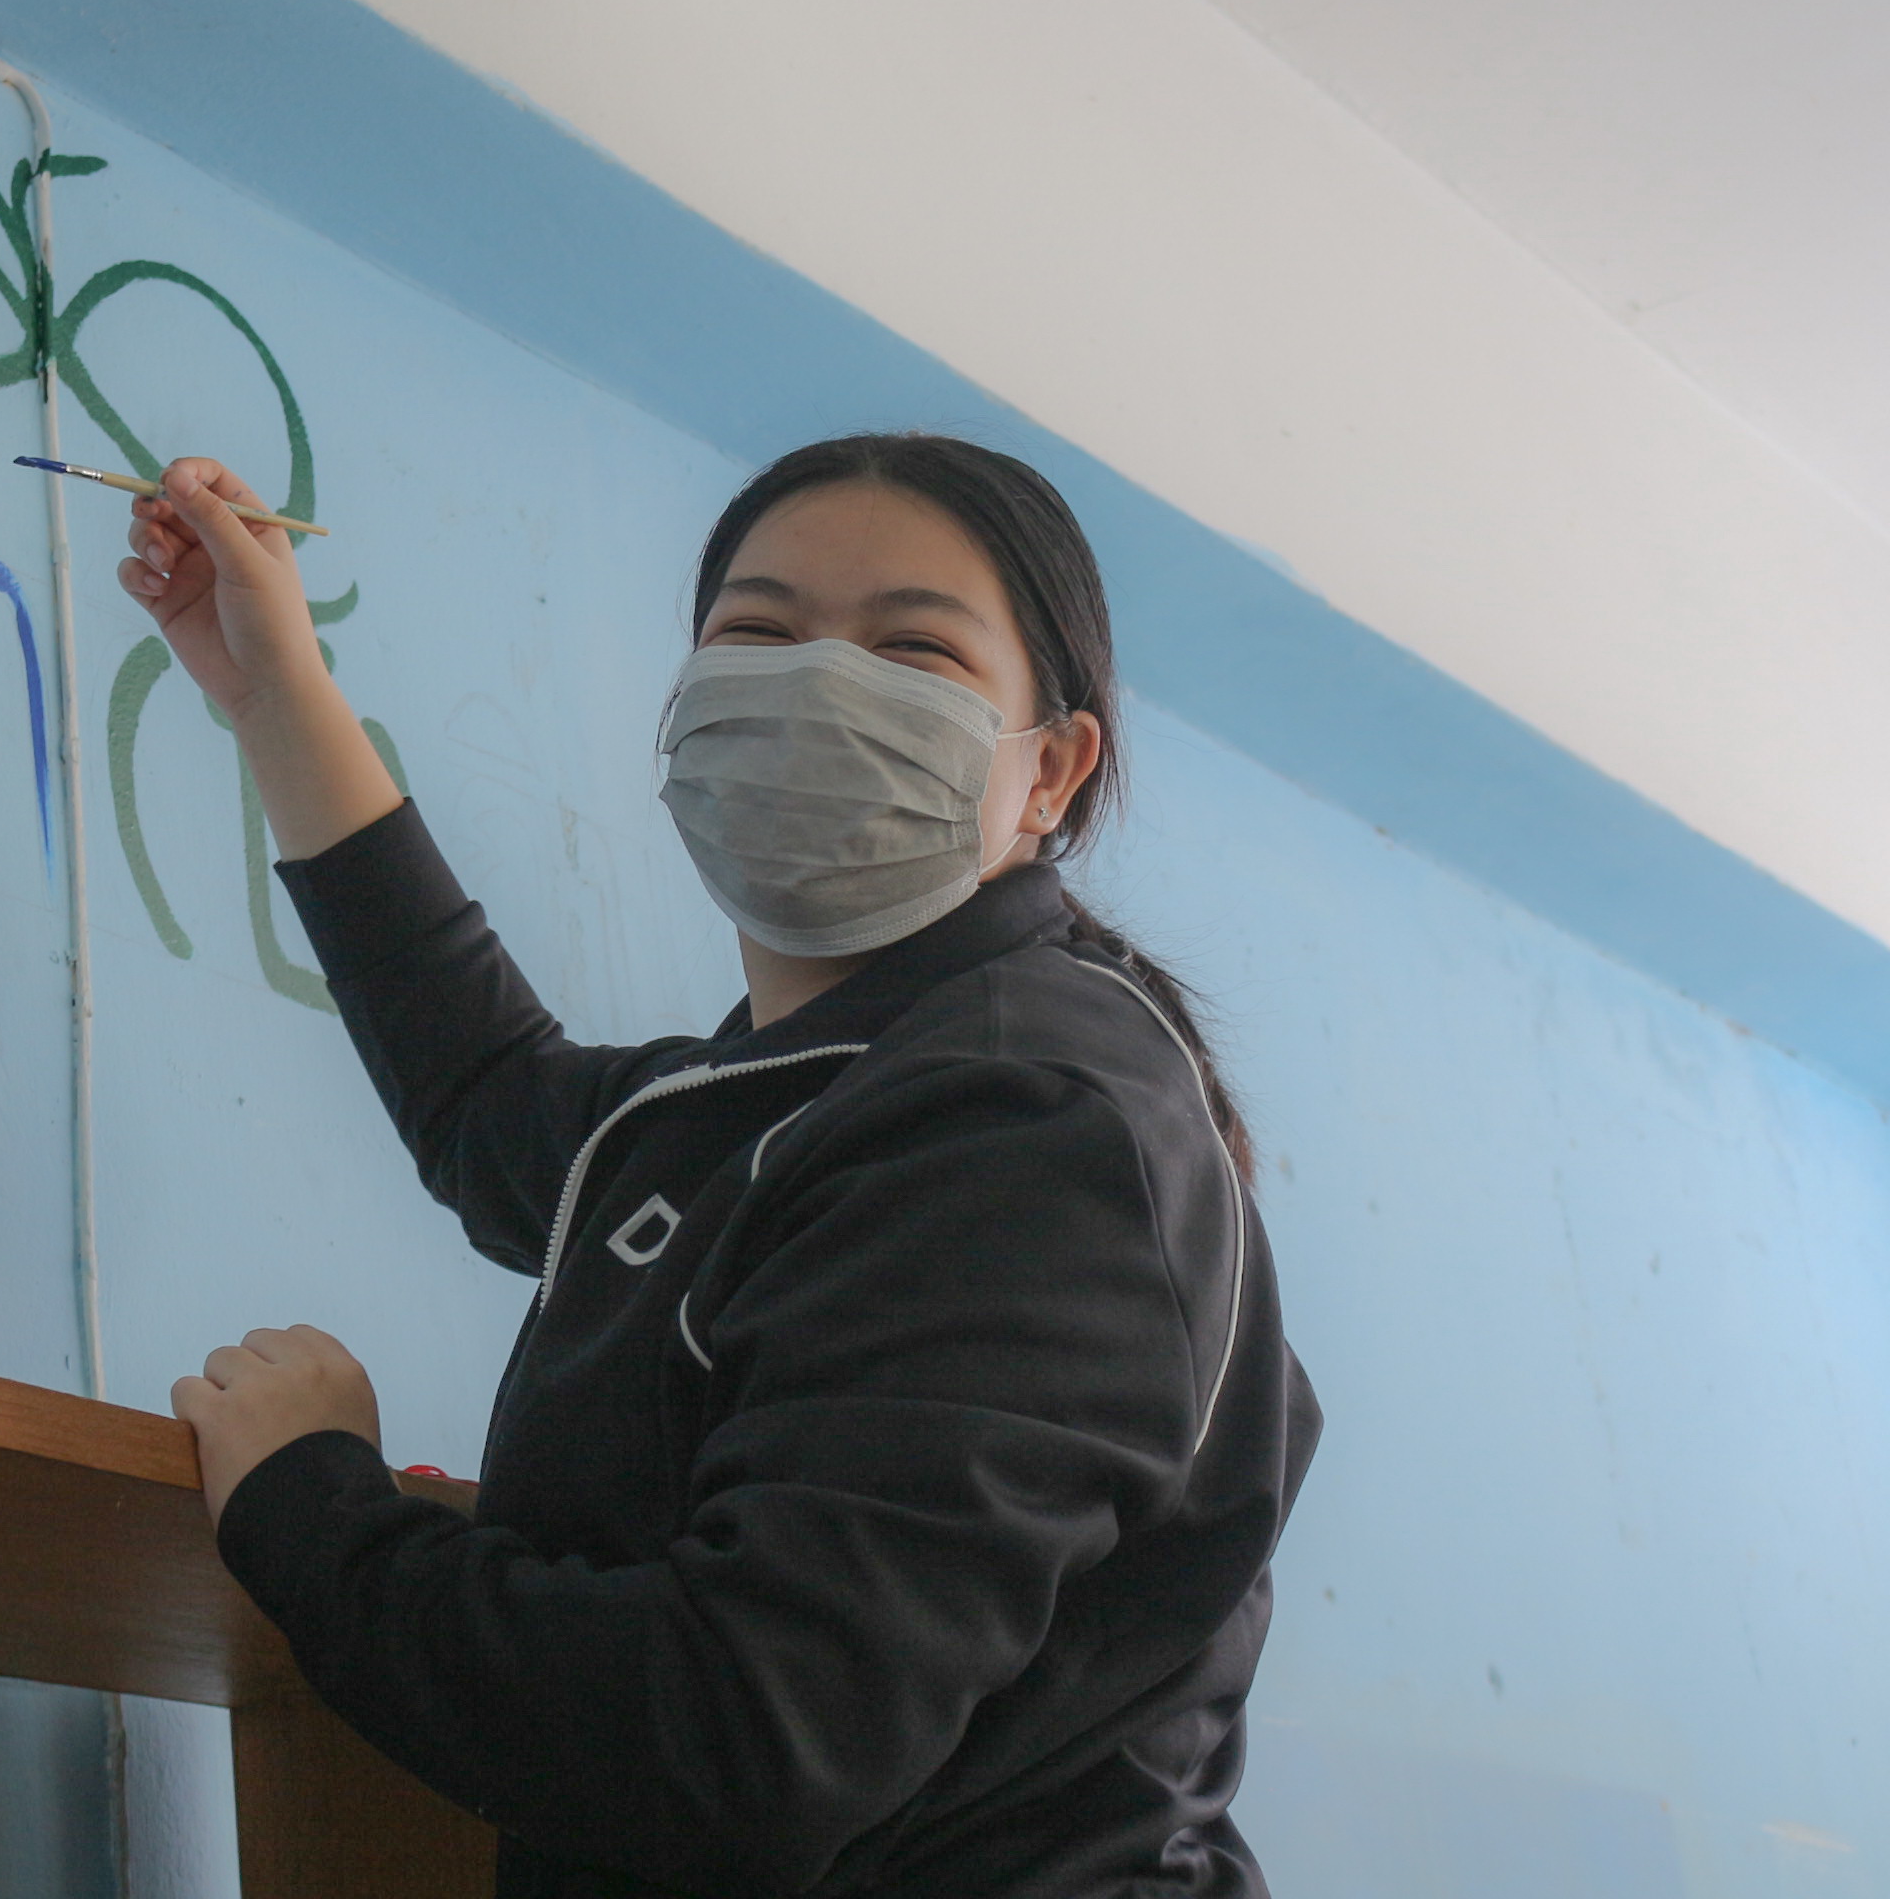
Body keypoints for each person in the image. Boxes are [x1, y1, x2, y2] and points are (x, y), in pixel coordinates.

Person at [132, 433, 1321, 1899]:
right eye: (758, 634)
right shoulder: (828, 1090)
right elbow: (496, 1107)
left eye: (914, 649)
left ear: (1051, 772)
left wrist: (316, 1511)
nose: (819, 686)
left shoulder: (1030, 1121)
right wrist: (273, 692)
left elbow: (739, 1743)